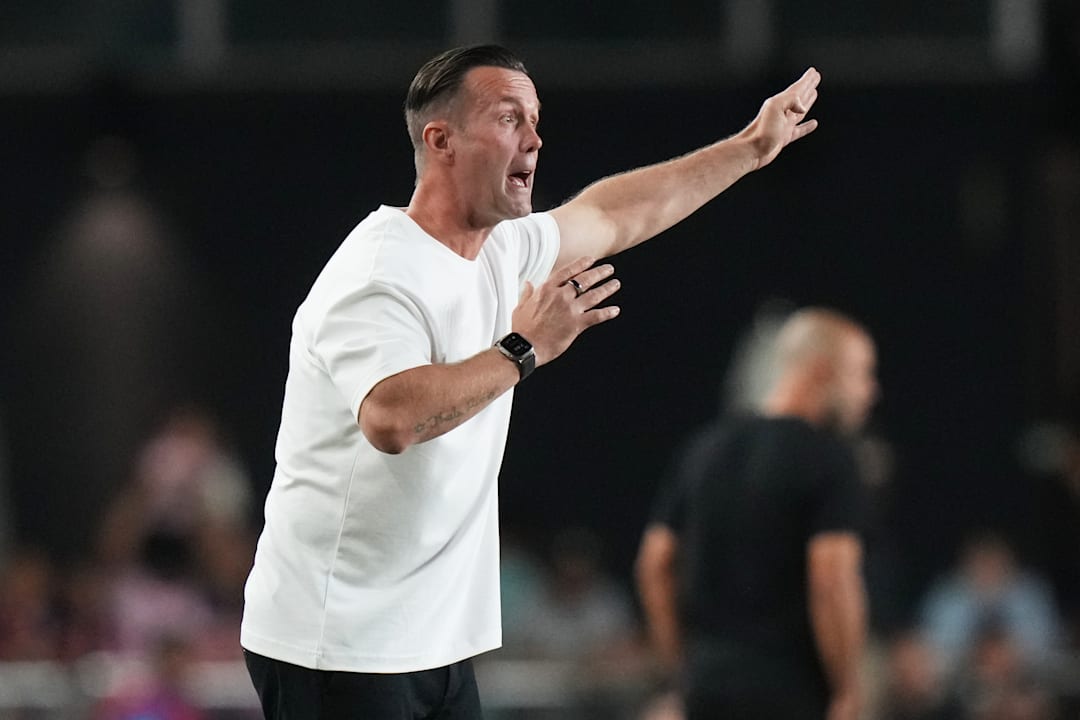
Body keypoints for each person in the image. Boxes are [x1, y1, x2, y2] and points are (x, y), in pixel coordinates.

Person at [240, 44, 822, 720]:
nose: (535, 139)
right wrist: (523, 349)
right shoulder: (379, 271)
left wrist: (751, 148)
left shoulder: (501, 248)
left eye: (536, 120)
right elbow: (391, 417)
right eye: (509, 118)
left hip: (431, 645)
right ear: (441, 141)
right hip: (336, 645)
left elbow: (616, 213)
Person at [635, 308, 878, 720]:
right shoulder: (829, 459)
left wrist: (684, 669)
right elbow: (832, 580)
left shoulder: (704, 450)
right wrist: (847, 689)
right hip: (790, 691)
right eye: (862, 373)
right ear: (822, 371)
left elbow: (655, 563)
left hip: (707, 686)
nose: (870, 392)